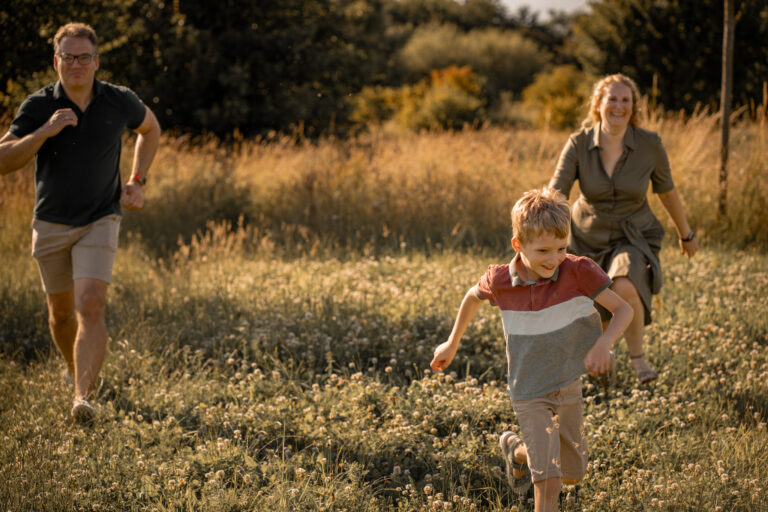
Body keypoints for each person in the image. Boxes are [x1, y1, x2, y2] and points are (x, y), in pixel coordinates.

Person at [430, 188, 633, 511]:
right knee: (549, 481)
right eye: (542, 251)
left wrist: (603, 344)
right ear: (518, 245)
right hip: (528, 389)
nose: (553, 260)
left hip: (568, 385)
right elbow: (472, 296)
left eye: (561, 248)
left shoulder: (579, 271)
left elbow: (624, 309)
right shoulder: (500, 280)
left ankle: (516, 450)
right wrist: (452, 343)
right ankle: (535, 461)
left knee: (573, 473)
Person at [0, 22, 161, 424]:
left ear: (96, 61)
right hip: (51, 223)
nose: (76, 64)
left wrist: (137, 181)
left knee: (91, 304)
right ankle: (79, 375)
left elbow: (151, 129)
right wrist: (46, 130)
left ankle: (82, 398)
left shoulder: (117, 100)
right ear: (56, 61)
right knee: (60, 314)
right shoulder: (38, 106)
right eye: (68, 57)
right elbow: (4, 160)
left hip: (100, 217)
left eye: (84, 57)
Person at [549, 73, 698, 384]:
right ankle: (603, 362)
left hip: (635, 233)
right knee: (596, 299)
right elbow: (557, 192)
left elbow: (667, 192)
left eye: (625, 100)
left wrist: (686, 233)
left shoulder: (650, 145)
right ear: (598, 104)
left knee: (625, 285)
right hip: (586, 235)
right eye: (612, 98)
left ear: (634, 106)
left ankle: (636, 357)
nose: (619, 105)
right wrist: (539, 228)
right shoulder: (578, 143)